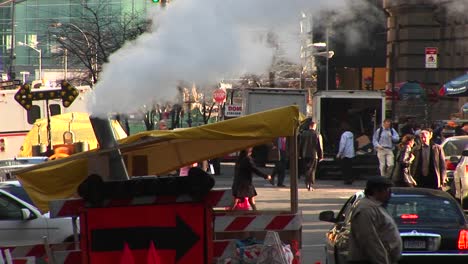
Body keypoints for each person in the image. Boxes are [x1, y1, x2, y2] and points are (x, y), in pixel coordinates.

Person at [348, 177, 402, 264]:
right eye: (387, 190)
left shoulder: (375, 206)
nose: (390, 194)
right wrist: (382, 261)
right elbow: (369, 240)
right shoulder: (366, 209)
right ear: (377, 191)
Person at [299, 120, 323, 191]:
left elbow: (300, 145)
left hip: (304, 154)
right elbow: (319, 147)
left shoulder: (303, 134)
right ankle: (309, 183)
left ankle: (308, 183)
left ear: (309, 126)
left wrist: (300, 154)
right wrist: (321, 156)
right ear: (314, 126)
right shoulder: (317, 134)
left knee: (307, 168)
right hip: (313, 155)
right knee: (312, 170)